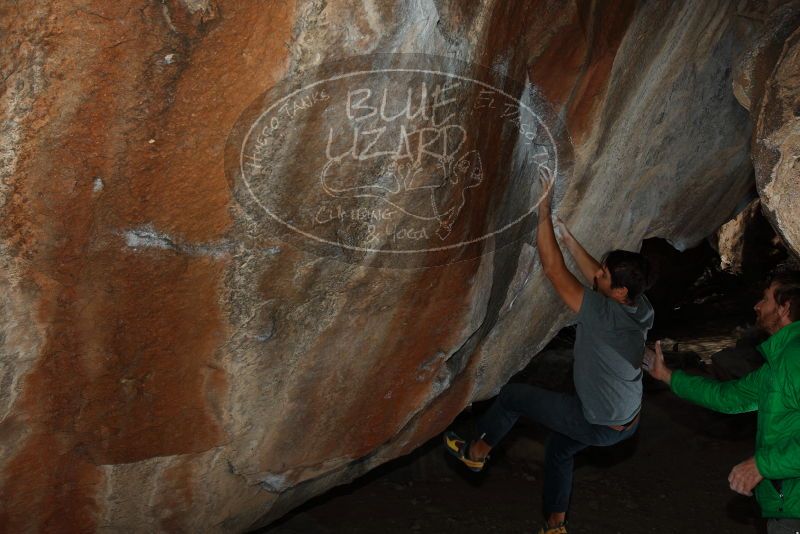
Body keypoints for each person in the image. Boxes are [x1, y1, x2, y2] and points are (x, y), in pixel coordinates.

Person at [444, 168, 655, 534]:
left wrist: (542, 214)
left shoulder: (604, 315)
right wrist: (569, 239)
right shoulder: (640, 307)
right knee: (560, 450)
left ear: (618, 292)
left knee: (512, 397)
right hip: (628, 420)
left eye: (605, 277)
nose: (598, 275)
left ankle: (476, 453)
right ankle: (555, 525)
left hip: (600, 422)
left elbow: (553, 270)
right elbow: (595, 274)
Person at [645, 271, 800, 534]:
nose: (757, 306)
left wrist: (763, 464)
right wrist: (668, 376)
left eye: (765, 299)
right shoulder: (781, 360)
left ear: (784, 308)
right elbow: (728, 397)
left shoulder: (796, 357)